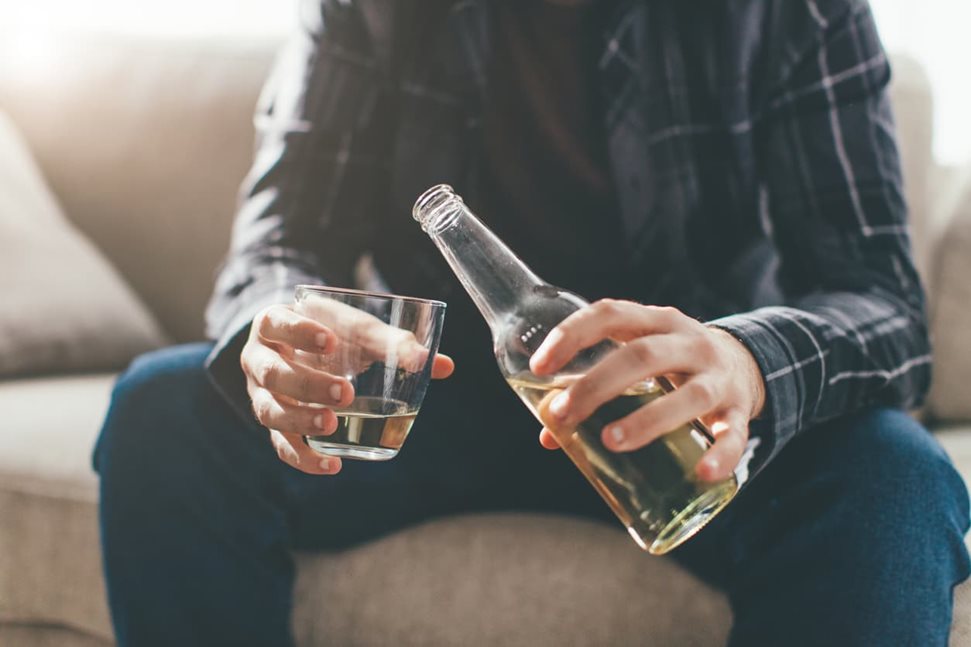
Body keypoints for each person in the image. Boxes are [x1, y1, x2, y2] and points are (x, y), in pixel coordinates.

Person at [94, 0, 971, 645]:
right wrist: (279, 327)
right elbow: (282, 237)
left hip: (690, 411)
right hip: (443, 396)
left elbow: (880, 298)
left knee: (892, 474)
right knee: (162, 410)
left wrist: (743, 358)